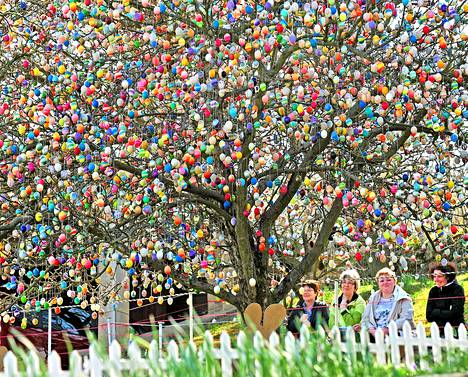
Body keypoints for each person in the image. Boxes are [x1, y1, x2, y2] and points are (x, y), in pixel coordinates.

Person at [360, 268, 415, 337]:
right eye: (381, 280)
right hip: (374, 336)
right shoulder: (373, 298)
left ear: (395, 282)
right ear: (378, 283)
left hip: (397, 336)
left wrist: (387, 329)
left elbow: (407, 319)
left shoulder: (403, 297)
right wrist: (372, 330)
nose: (385, 282)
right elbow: (365, 319)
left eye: (388, 280)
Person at [426, 262, 465, 334]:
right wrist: (447, 311)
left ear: (448, 277)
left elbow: (456, 314)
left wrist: (435, 312)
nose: (436, 279)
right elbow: (429, 316)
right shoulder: (433, 291)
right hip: (438, 333)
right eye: (434, 276)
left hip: (456, 332)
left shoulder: (457, 289)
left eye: (439, 276)